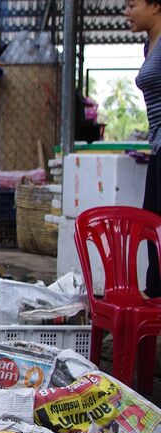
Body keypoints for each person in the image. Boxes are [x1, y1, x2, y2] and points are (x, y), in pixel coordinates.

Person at [127, 0, 161, 296]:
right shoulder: (149, 46)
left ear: (155, 6)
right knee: (151, 223)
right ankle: (156, 296)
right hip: (158, 148)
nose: (127, 11)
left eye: (132, 4)